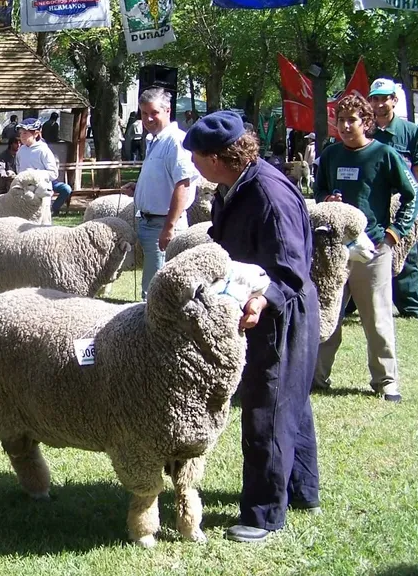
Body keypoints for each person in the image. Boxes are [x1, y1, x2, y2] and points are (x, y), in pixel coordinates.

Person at [184, 110, 320, 544]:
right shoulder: (234, 186)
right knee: (290, 399)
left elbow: (292, 267)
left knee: (269, 404)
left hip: (280, 310)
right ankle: (301, 490)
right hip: (253, 300)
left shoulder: (267, 193)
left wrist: (265, 300)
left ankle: (263, 514)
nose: (193, 165)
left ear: (218, 157)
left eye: (197, 157)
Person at [315, 93, 418, 403]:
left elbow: (411, 195)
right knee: (326, 316)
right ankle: (316, 377)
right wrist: (326, 200)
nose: (345, 126)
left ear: (366, 122)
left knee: (376, 318)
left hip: (373, 248)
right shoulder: (331, 155)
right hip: (333, 251)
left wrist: (394, 233)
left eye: (352, 120)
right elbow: (319, 189)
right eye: (340, 120)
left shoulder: (384, 154)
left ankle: (386, 382)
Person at [120, 88, 198, 297]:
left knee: (157, 292)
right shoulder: (153, 140)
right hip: (149, 222)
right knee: (152, 286)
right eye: (144, 113)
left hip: (163, 225)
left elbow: (183, 184)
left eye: (154, 112)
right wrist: (139, 189)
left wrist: (169, 228)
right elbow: (165, 180)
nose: (148, 118)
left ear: (167, 110)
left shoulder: (176, 141)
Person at [367, 78, 418, 322]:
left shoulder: (411, 131)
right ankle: (352, 304)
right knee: (365, 250)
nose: (380, 104)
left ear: (395, 100)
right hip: (372, 200)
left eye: (385, 98)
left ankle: (412, 306)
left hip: (402, 199)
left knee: (407, 251)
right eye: (375, 98)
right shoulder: (365, 129)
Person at [16, 118, 72, 216]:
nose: (22, 136)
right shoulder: (20, 151)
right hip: (25, 189)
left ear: (36, 134)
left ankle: (53, 208)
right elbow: (18, 169)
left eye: (25, 133)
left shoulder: (43, 150)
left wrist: (36, 174)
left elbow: (53, 173)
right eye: (21, 133)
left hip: (42, 188)